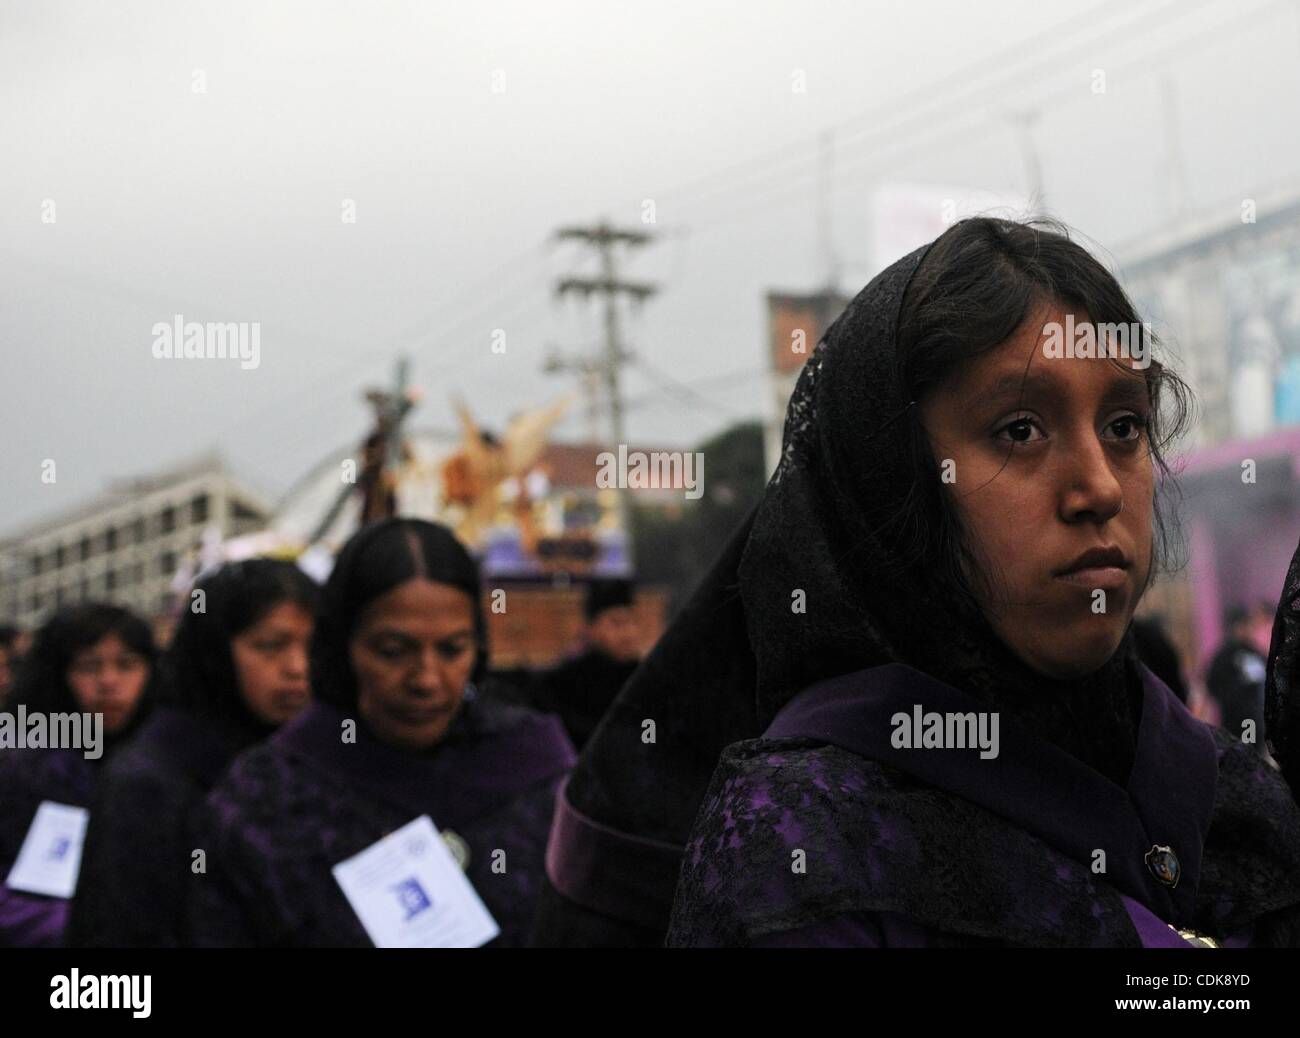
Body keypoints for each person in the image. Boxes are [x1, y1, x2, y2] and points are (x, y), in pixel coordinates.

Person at [540, 216, 1300, 948]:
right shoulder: (811, 846)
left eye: (1124, 426)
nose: (1100, 488)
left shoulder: (1234, 800)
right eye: (1020, 431)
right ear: (893, 487)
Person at [188, 518, 575, 947]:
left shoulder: (539, 772)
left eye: (452, 649)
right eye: (393, 651)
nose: (427, 679)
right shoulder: (267, 797)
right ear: (343, 645)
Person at [66, 559, 319, 947]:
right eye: (270, 646)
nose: (297, 668)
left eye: (314, 646)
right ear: (216, 652)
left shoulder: (314, 760)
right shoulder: (152, 780)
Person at [0, 604, 156, 947]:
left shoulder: (171, 769)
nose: (109, 682)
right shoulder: (20, 770)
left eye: (127, 665)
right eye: (89, 667)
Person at [532, 578, 642, 750]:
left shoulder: (644, 679)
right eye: (617, 623)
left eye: (633, 622)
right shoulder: (563, 684)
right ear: (590, 628)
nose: (628, 633)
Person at [1205, 605, 1268, 751]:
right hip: (1236, 717)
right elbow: (1212, 684)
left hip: (1253, 716)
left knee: (1253, 753)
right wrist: (1234, 695)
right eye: (1244, 625)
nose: (1248, 629)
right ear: (1234, 627)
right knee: (1243, 754)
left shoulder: (1254, 652)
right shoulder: (1224, 656)